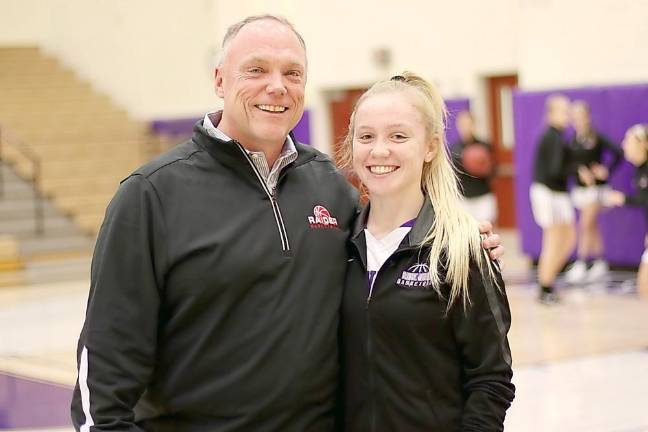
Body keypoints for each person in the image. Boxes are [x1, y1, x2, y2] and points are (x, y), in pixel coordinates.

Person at [70, 15, 504, 430]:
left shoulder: (331, 188)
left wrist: (461, 238)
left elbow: (392, 246)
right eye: (256, 70)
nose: (276, 87)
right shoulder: (150, 195)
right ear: (220, 79)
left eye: (292, 74)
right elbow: (104, 377)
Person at [339, 72, 514, 431]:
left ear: (431, 146)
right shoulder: (334, 244)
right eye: (366, 136)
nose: (379, 150)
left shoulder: (463, 249)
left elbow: (491, 380)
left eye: (398, 136)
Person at [564, 100, 623, 283]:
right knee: (592, 226)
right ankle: (599, 262)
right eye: (575, 117)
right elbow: (568, 164)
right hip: (581, 191)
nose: (578, 120)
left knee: (585, 224)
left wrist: (606, 169)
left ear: (588, 117)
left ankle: (582, 262)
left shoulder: (596, 137)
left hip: (596, 190)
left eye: (581, 116)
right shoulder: (572, 140)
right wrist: (579, 170)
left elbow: (618, 152)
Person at [530, 94, 576, 304]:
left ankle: (548, 281)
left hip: (558, 193)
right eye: (563, 111)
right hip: (548, 192)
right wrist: (578, 168)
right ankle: (545, 287)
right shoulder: (551, 137)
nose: (567, 115)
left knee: (569, 239)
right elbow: (555, 170)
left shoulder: (558, 136)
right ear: (551, 114)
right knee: (554, 239)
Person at [607, 124, 648, 300]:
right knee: (643, 288)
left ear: (643, 144)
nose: (624, 145)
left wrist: (623, 199)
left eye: (628, 141)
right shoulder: (640, 169)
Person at [451, 110, 498, 223]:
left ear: (474, 125)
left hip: (483, 197)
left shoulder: (485, 146)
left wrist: (482, 165)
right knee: (467, 236)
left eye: (469, 124)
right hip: (464, 199)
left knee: (486, 234)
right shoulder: (454, 149)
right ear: (458, 126)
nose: (466, 128)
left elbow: (494, 170)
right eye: (463, 124)